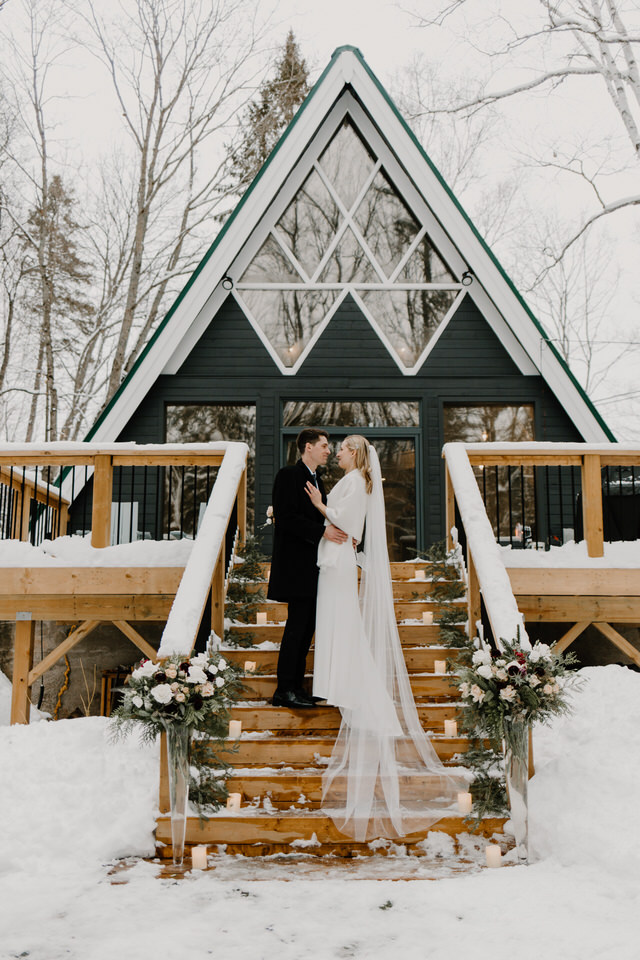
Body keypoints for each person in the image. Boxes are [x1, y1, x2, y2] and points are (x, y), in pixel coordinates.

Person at [305, 435, 467, 842]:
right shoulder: (357, 480)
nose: (337, 452)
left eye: (342, 447)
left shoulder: (358, 482)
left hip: (340, 560)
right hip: (337, 558)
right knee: (337, 621)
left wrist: (319, 505)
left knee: (342, 621)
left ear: (356, 453)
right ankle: (339, 681)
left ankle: (352, 685)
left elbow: (344, 522)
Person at [267, 428, 348, 710]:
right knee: (296, 628)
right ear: (308, 448)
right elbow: (286, 518)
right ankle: (283, 690)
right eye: (324, 446)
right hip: (295, 567)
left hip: (314, 568)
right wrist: (322, 532)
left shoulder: (318, 481)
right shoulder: (288, 475)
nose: (328, 450)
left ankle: (297, 688)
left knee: (306, 630)